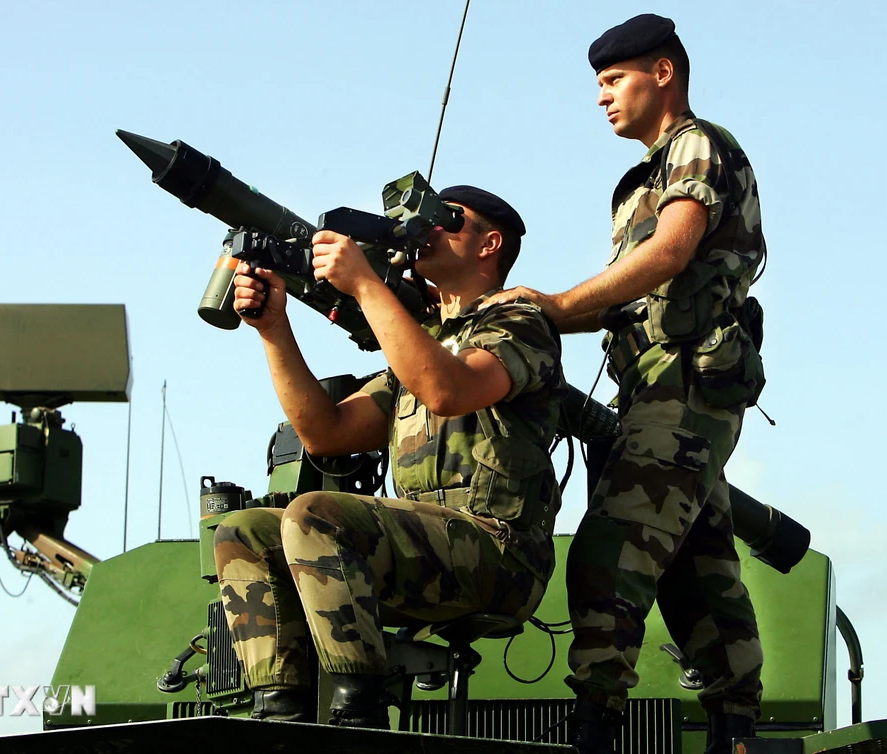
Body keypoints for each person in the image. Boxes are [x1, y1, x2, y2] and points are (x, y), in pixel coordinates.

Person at [482, 14, 766, 754]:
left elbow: (670, 254)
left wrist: (559, 305)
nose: (601, 98)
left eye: (613, 81)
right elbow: (631, 299)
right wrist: (527, 311)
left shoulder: (697, 147)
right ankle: (735, 727)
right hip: (656, 384)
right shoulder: (646, 176)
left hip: (687, 381)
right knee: (695, 562)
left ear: (662, 74)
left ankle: (597, 725)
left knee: (611, 548)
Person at [213, 186, 566, 729]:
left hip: (502, 554)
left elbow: (449, 390)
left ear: (489, 245)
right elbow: (325, 433)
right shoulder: (421, 348)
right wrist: (273, 328)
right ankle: (277, 713)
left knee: (316, 515)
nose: (428, 230)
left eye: (450, 221)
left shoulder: (519, 326)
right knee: (244, 531)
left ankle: (360, 715)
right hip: (429, 552)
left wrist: (364, 284)